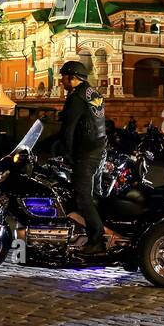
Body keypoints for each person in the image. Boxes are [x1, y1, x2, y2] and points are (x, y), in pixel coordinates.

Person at [41, 61, 108, 255]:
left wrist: (65, 154)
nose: (61, 81)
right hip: (98, 149)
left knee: (82, 195)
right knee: (93, 194)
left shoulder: (76, 97)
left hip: (85, 153)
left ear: (73, 77)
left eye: (63, 77)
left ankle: (96, 239)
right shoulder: (93, 93)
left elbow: (68, 130)